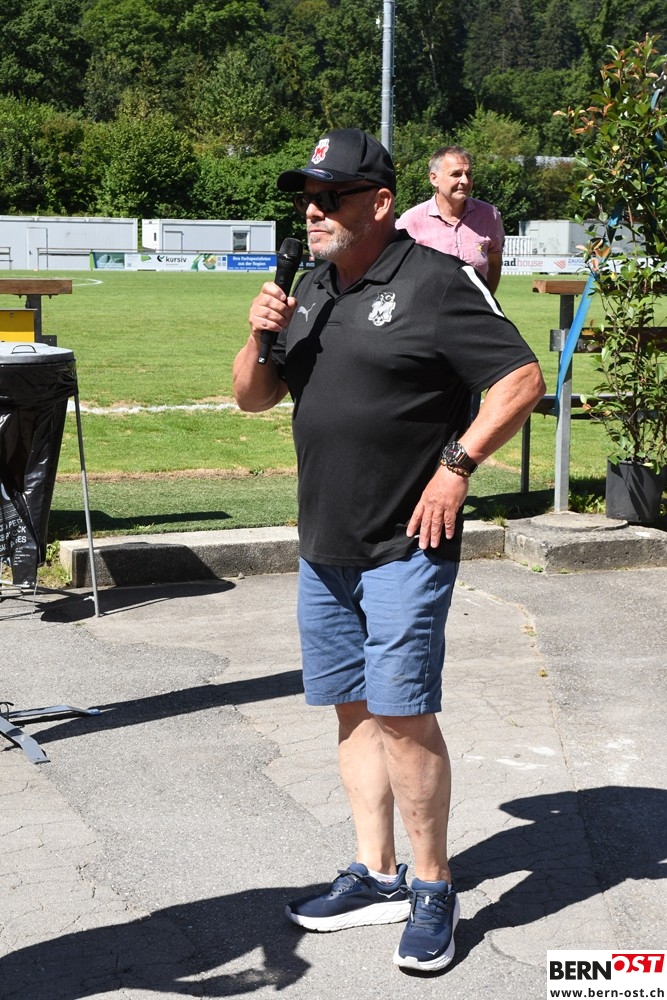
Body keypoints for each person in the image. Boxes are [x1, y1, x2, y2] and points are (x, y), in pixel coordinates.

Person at [232, 128, 545, 972]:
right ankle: (375, 874)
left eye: (328, 196)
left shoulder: (435, 280)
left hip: (406, 542)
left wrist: (455, 468)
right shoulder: (307, 286)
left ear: (377, 202)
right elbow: (252, 399)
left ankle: (432, 887)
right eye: (306, 198)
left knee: (401, 714)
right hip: (323, 541)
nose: (312, 211)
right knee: (351, 708)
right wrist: (258, 332)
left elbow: (519, 379)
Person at [396, 145, 504, 295]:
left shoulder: (489, 215)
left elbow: (494, 262)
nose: (465, 181)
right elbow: (395, 270)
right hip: (429, 307)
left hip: (473, 308)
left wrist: (486, 300)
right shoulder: (410, 221)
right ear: (434, 178)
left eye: (469, 174)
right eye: (456, 174)